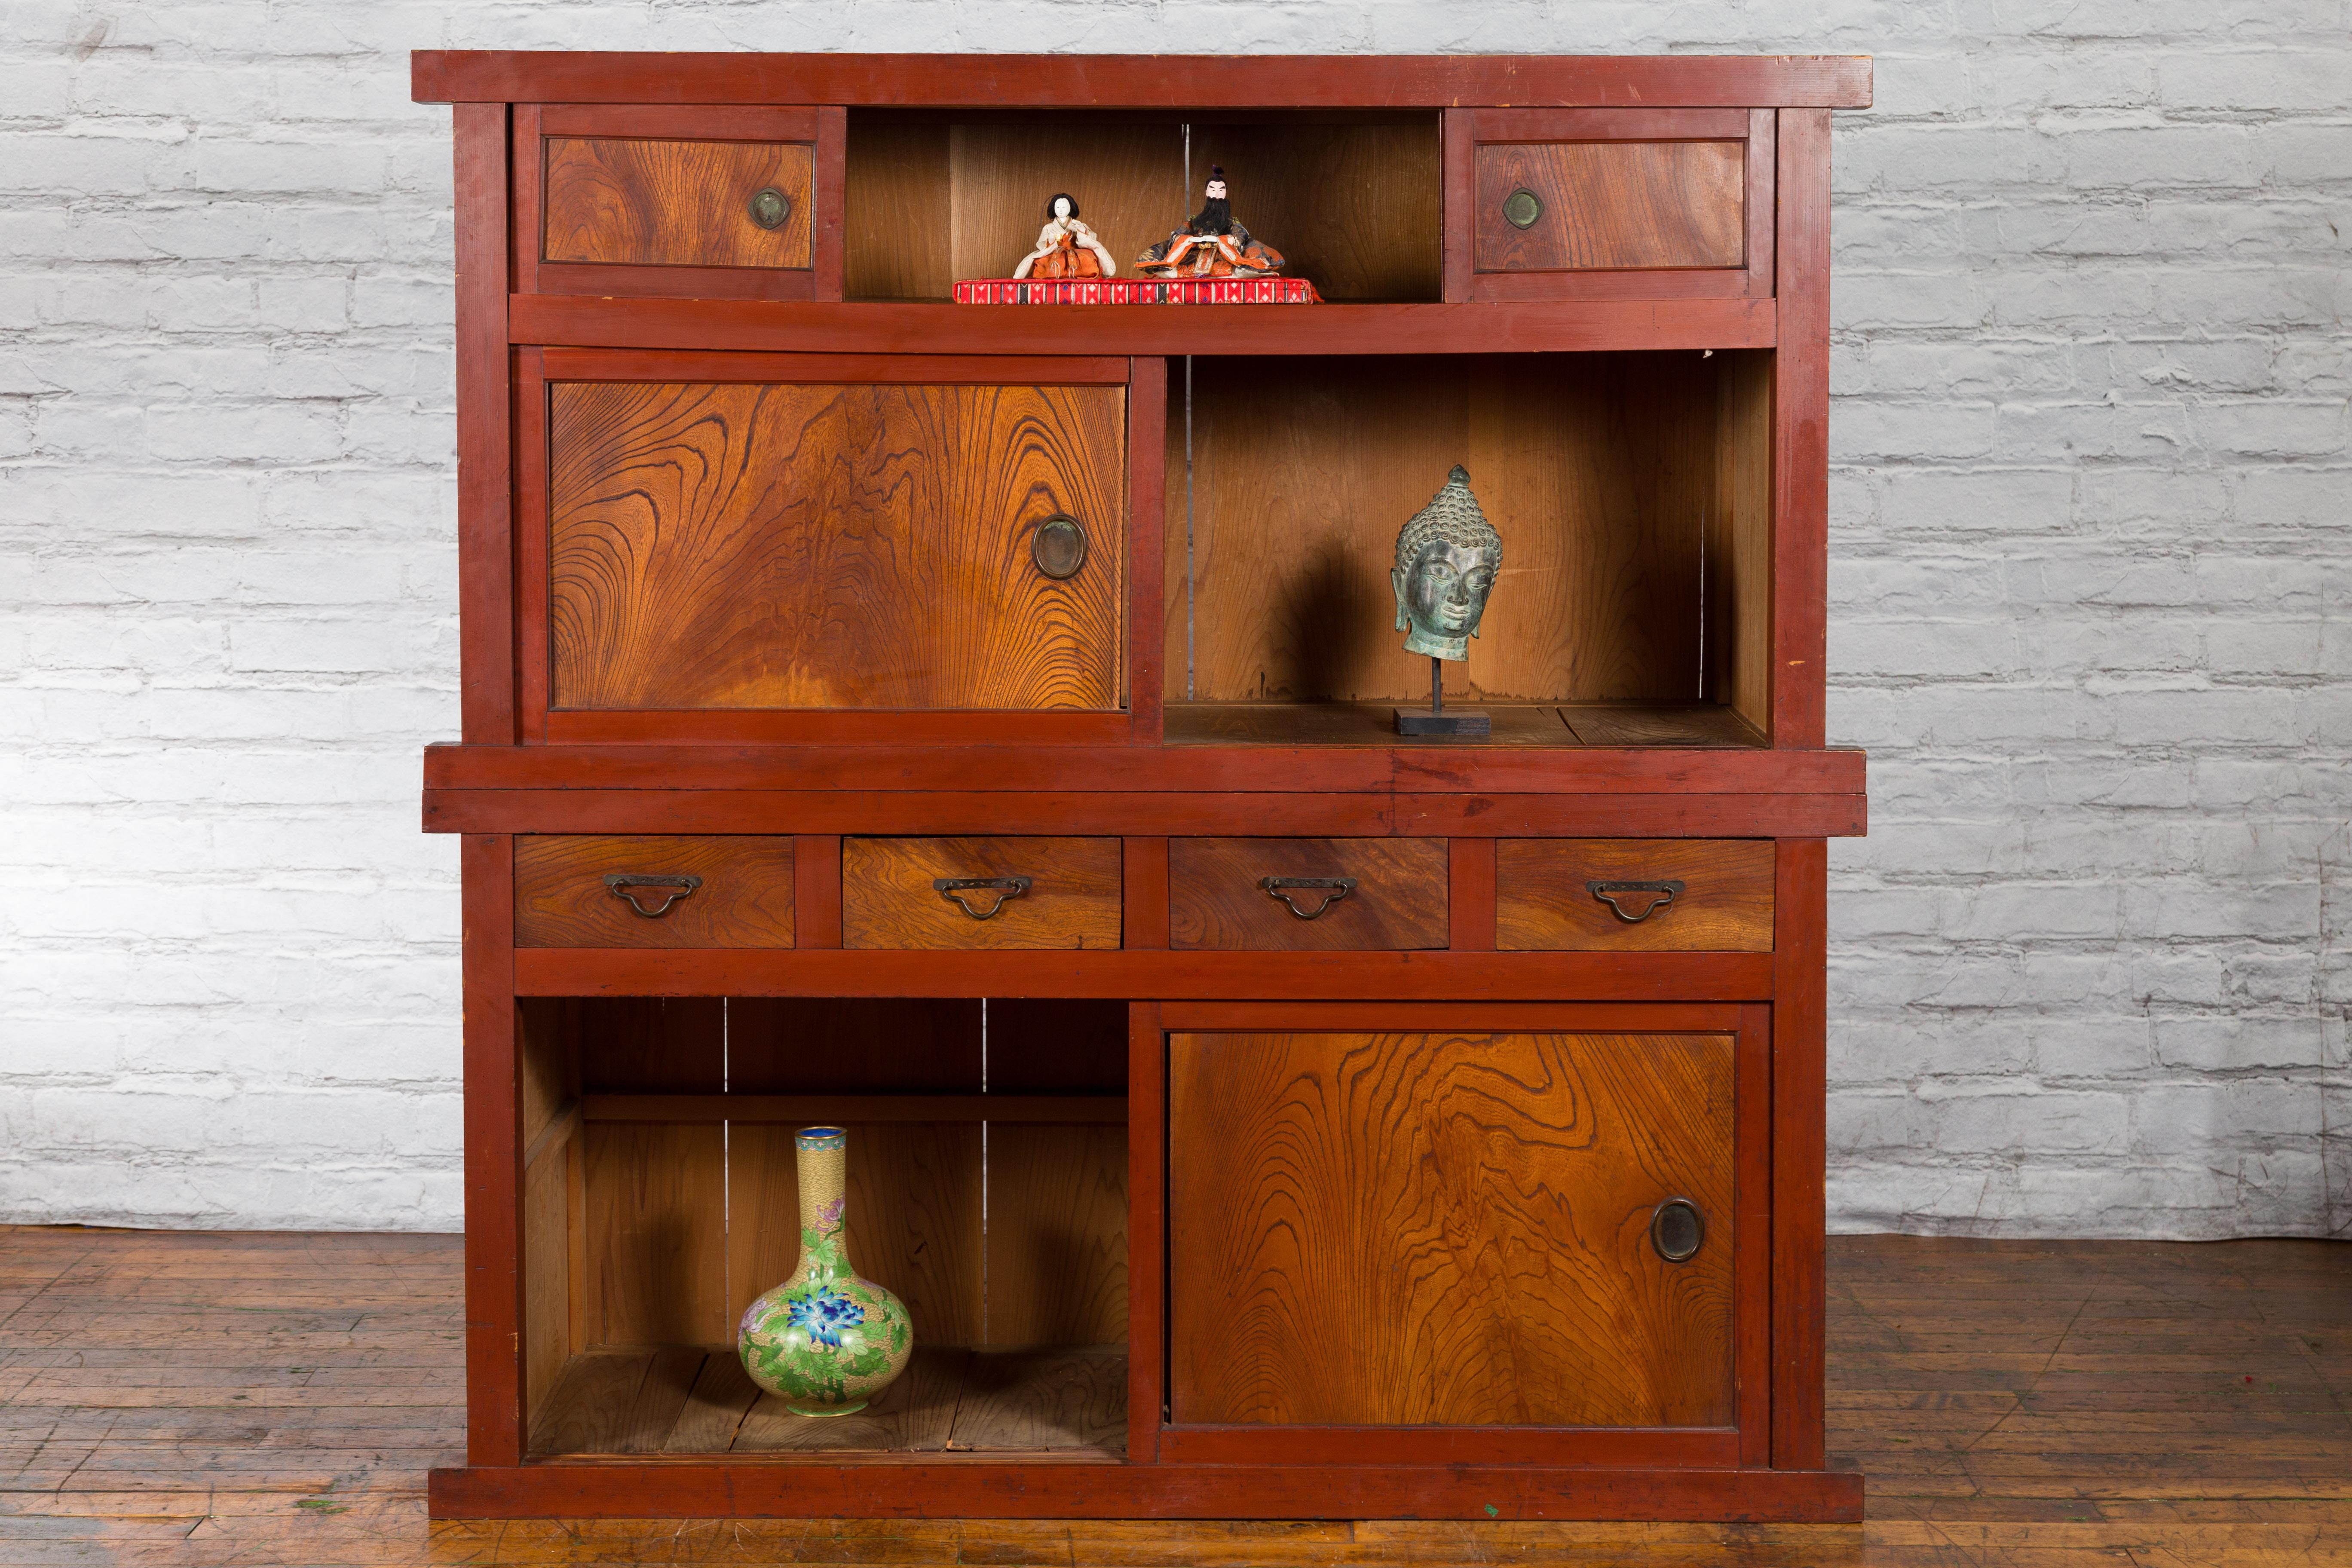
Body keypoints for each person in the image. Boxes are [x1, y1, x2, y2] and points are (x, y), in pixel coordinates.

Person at [1135, 166, 1286, 278]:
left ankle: (1240, 272)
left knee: (1245, 263)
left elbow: (1242, 237)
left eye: (1221, 190)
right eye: (1212, 190)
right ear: (1206, 192)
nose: (1217, 194)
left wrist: (1223, 240)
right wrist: (1192, 240)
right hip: (1194, 254)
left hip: (1225, 256)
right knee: (1172, 257)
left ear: (1226, 192)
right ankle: (1172, 270)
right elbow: (1177, 235)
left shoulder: (1232, 222)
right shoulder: (1195, 221)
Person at [1011, 193, 1118, 280]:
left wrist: (1082, 231)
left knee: (1088, 260)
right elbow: (1042, 244)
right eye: (1058, 207)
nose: (1061, 210)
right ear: (1053, 209)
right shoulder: (1049, 228)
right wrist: (1051, 241)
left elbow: (1091, 240)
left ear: (1071, 208)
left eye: (1064, 207)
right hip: (1054, 253)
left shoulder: (1078, 224)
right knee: (1042, 262)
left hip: (1077, 253)